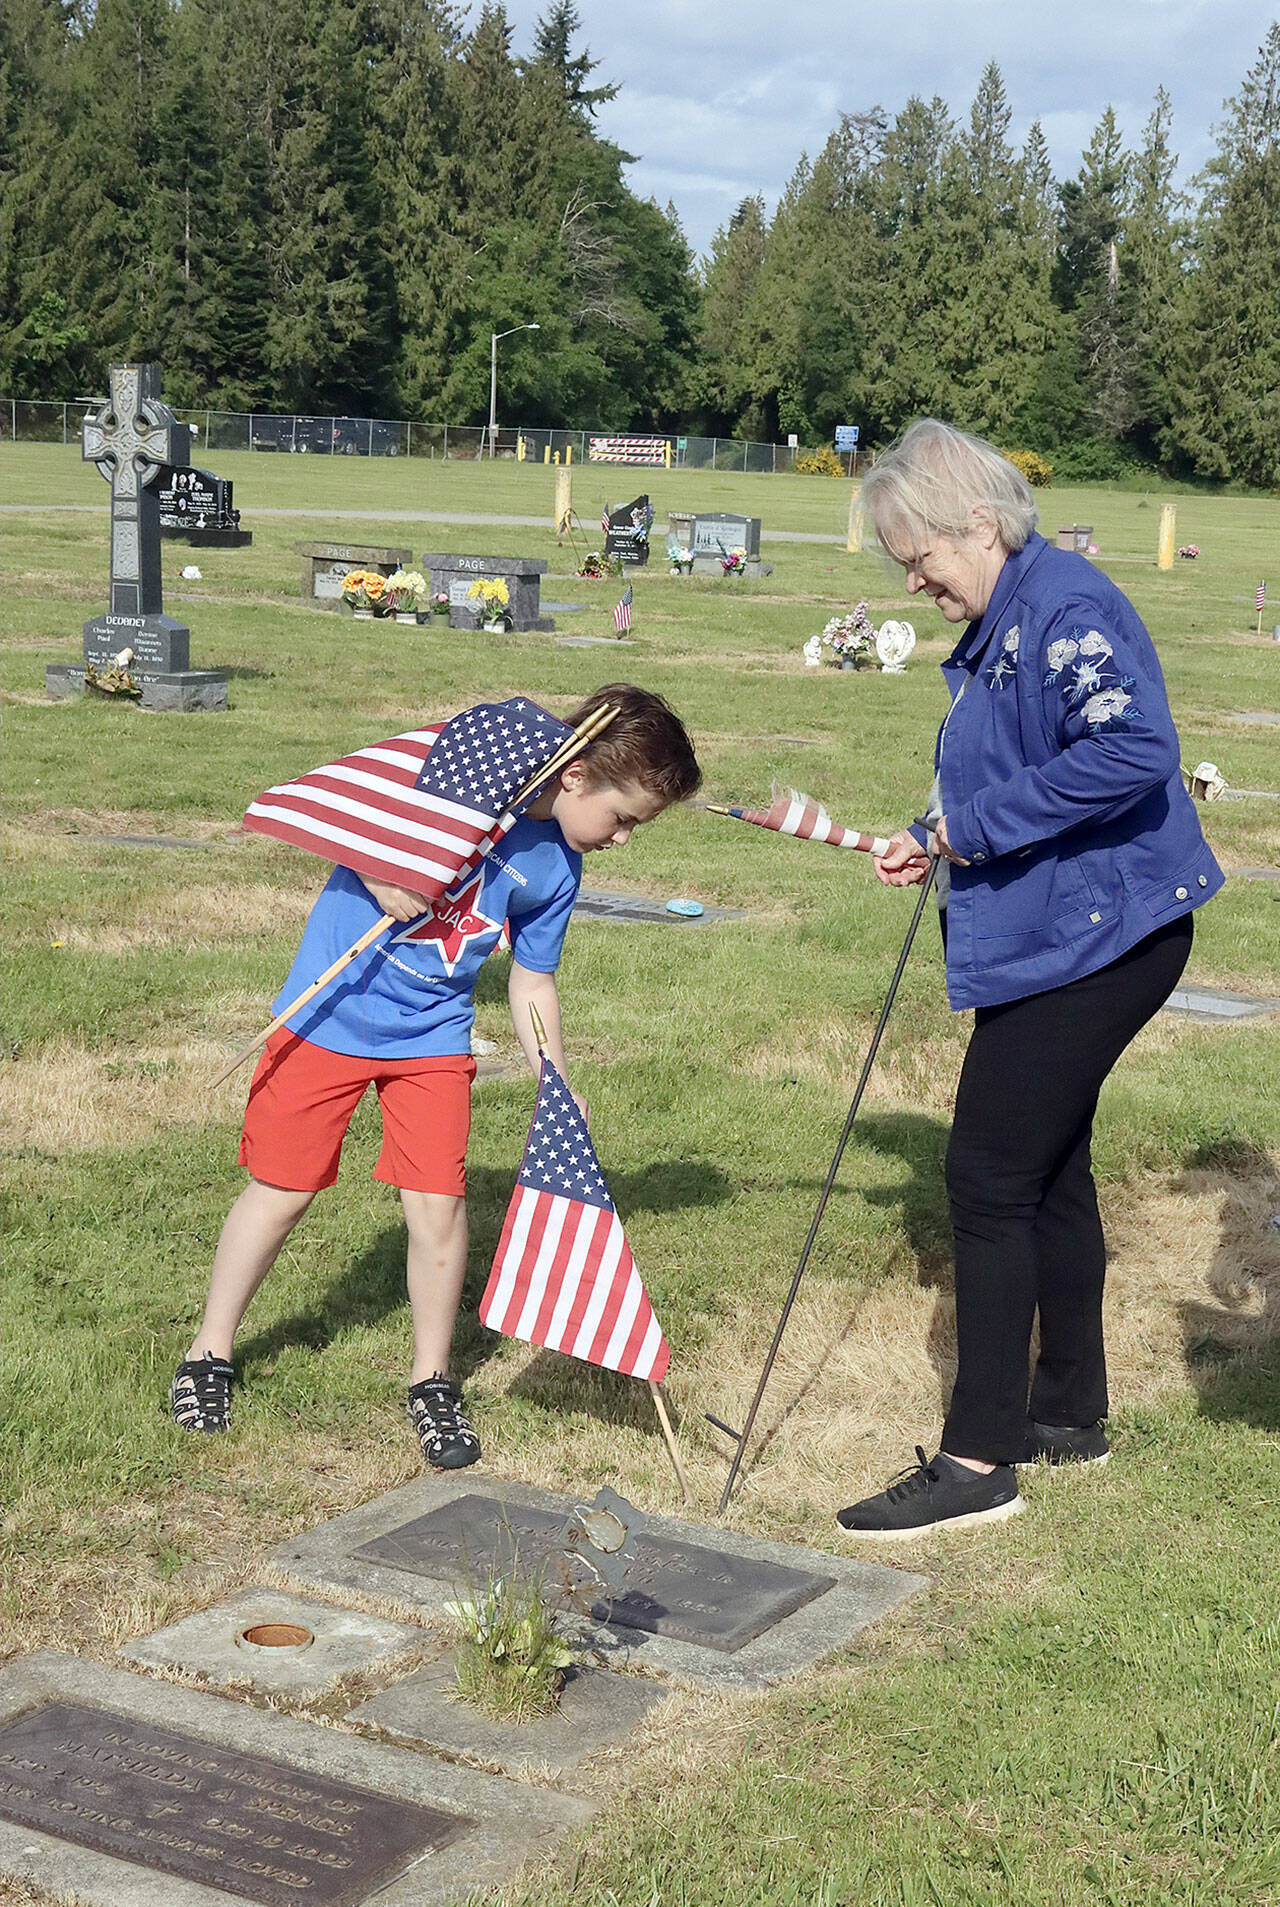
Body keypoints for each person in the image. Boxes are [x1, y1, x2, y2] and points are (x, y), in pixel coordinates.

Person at [837, 419, 1222, 1538]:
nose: (912, 580)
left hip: (1107, 932)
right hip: (1067, 926)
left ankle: (977, 1457)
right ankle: (1066, 1414)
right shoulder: (1015, 607)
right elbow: (1010, 759)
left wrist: (972, 829)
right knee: (1047, 1168)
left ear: (976, 523)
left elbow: (1127, 751)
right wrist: (931, 832)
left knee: (986, 1173)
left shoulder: (1063, 605)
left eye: (918, 557)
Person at [171, 684, 701, 1467]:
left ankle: (432, 1378)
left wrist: (555, 1073)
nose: (624, 839)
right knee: (282, 1189)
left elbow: (531, 982)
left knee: (439, 1208)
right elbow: (351, 808)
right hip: (328, 1018)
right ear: (579, 775)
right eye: (624, 819)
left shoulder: (556, 865)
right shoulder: (458, 790)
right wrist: (376, 869)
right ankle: (208, 1351)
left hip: (432, 1041)